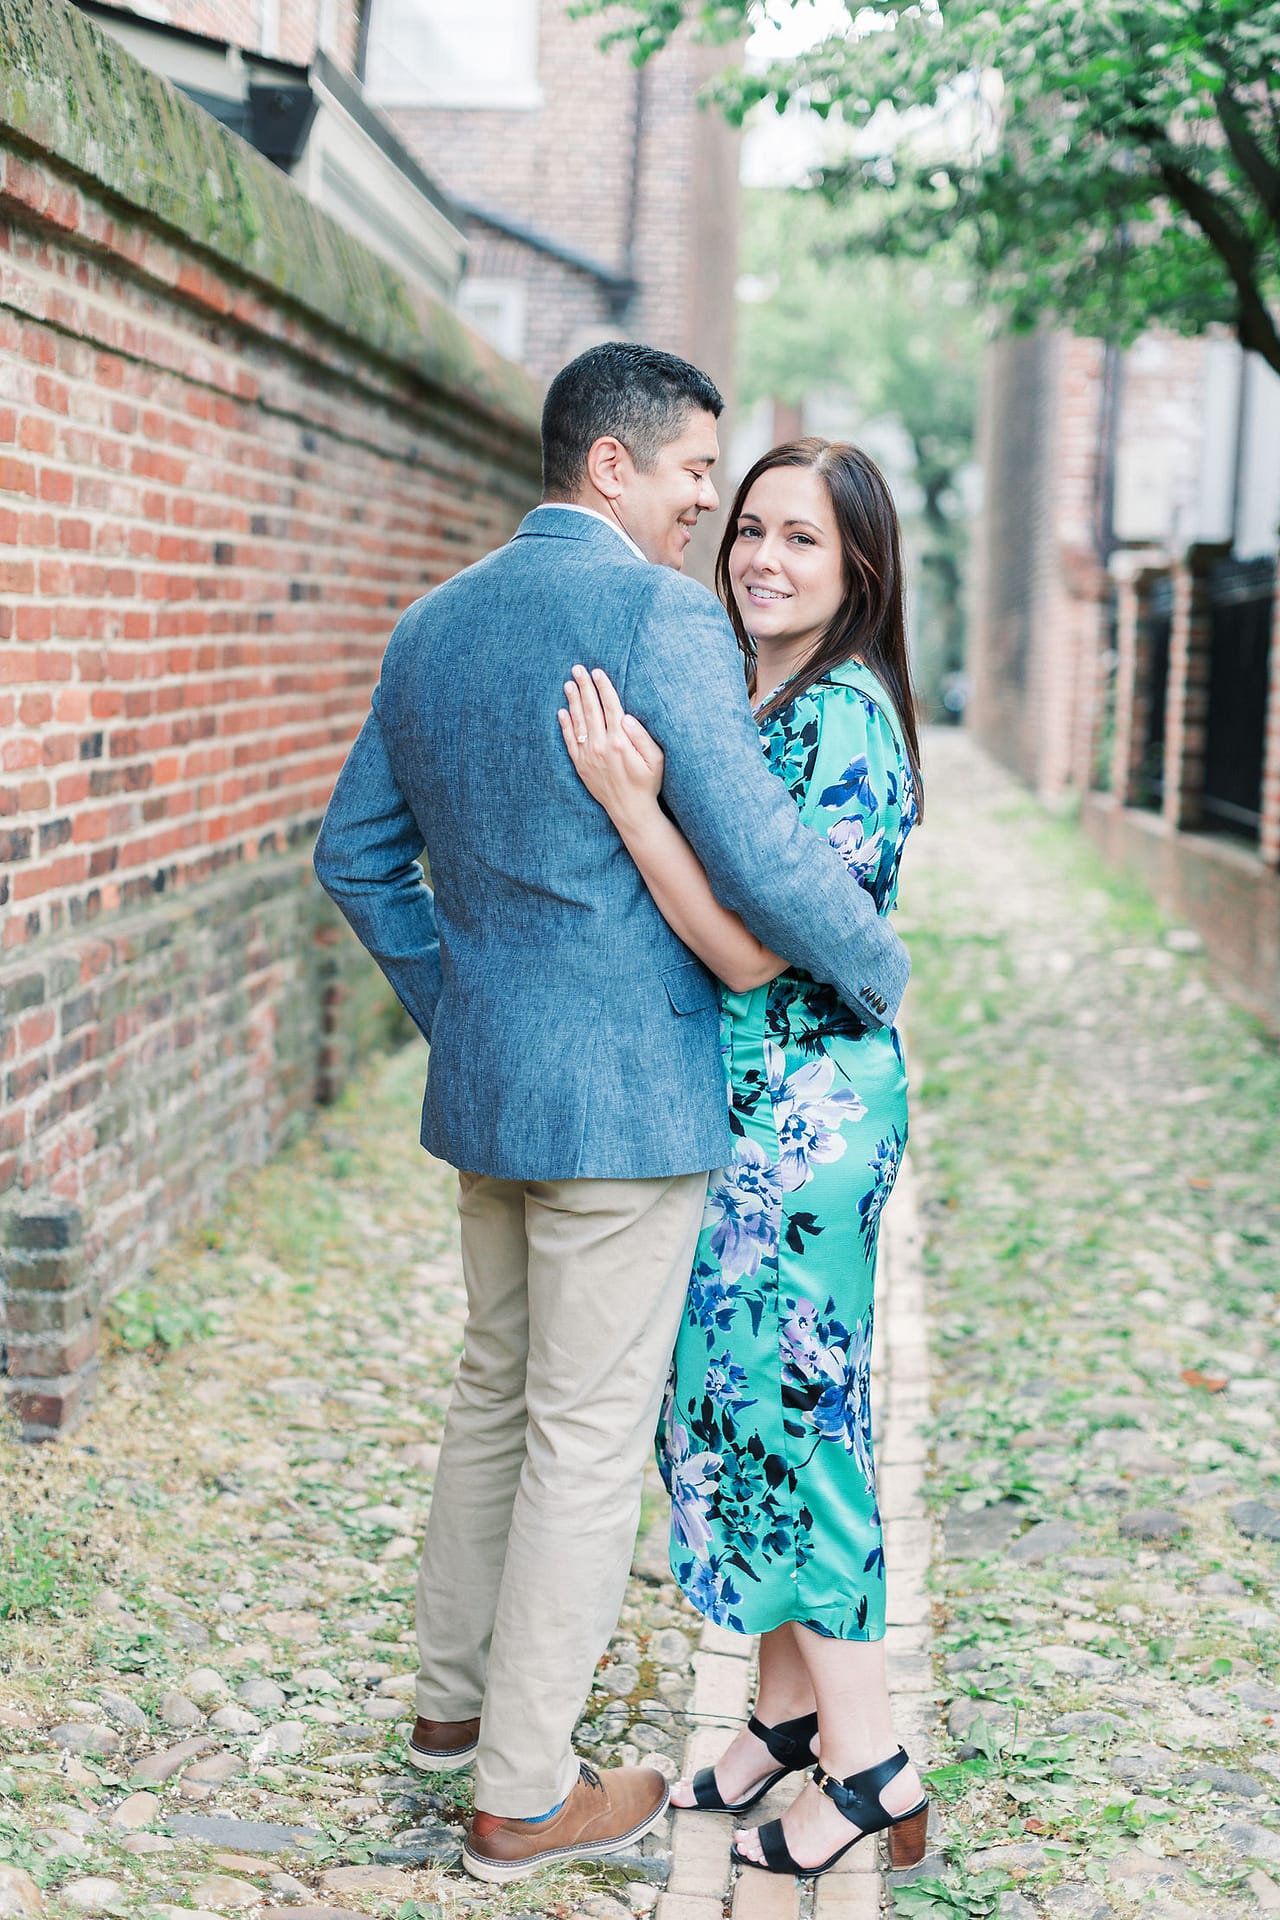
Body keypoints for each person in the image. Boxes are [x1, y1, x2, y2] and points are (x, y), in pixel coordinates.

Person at [312, 347, 909, 1886]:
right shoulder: (656, 617)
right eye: (699, 471)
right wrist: (877, 962)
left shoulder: (433, 623)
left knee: (492, 1396)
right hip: (631, 1105)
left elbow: (353, 857)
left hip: (493, 1095)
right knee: (581, 1438)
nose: (708, 501)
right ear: (612, 465)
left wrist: (464, 1013)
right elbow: (762, 850)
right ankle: (522, 1793)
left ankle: (451, 1709)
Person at [558, 438, 928, 1879]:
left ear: (859, 570)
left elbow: (751, 950)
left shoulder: (841, 718)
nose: (763, 559)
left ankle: (873, 1764)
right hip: (759, 1114)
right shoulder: (770, 694)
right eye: (752, 529)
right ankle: (782, 1717)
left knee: (801, 1422)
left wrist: (629, 804)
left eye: (803, 541)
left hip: (805, 1126)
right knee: (749, 1414)